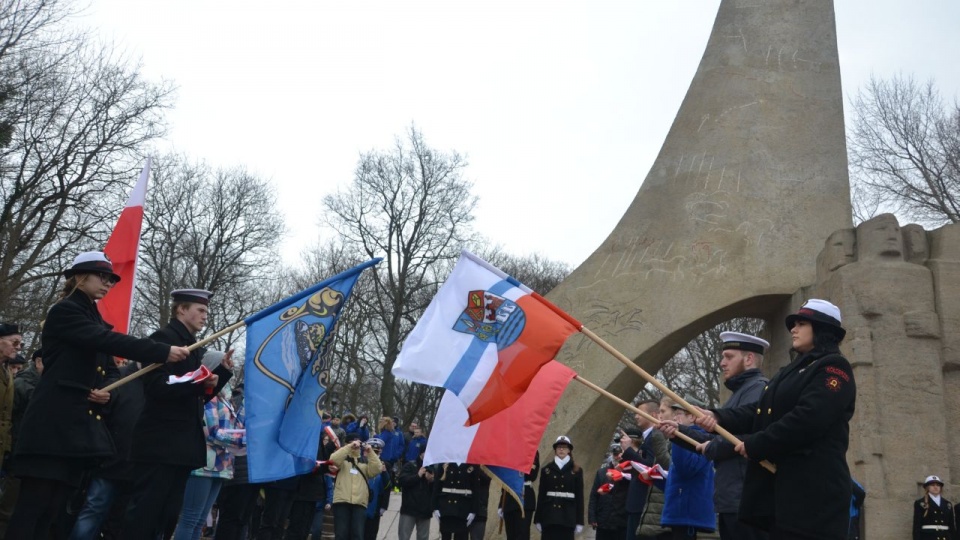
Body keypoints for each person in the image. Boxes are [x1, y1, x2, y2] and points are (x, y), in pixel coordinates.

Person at [7, 252, 189, 539]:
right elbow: (103, 340)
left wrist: (108, 394)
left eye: (111, 280)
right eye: (101, 276)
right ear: (80, 277)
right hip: (52, 427)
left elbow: (108, 371)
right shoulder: (65, 311)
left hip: (75, 431)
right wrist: (161, 350)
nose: (108, 283)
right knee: (33, 508)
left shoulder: (92, 317)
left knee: (54, 513)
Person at [696, 299, 856, 540]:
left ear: (822, 329)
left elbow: (808, 419)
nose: (793, 329)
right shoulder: (791, 370)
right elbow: (761, 411)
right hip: (785, 494)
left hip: (814, 493)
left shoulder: (834, 368)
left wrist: (757, 444)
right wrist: (718, 416)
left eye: (802, 323)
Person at [124, 288, 233, 538]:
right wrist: (198, 382)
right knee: (145, 514)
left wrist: (222, 374)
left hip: (181, 446)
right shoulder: (164, 338)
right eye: (201, 310)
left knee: (167, 516)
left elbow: (198, 397)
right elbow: (158, 387)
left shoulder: (192, 347)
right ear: (181, 309)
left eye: (207, 311)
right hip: (160, 443)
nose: (205, 316)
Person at [665, 332, 770, 540]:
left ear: (749, 359)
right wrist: (678, 432)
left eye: (729, 357)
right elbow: (717, 440)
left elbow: (745, 438)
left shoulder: (757, 389)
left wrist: (713, 447)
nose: (722, 363)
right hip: (732, 498)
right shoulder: (739, 394)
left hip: (745, 497)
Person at [172, 351, 245, 540]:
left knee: (200, 520)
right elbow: (211, 431)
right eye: (224, 364)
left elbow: (233, 427)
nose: (229, 368)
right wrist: (241, 440)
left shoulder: (224, 399)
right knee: (190, 518)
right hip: (202, 465)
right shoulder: (207, 396)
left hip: (221, 465)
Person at [656, 399, 715, 539]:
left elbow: (687, 468)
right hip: (681, 510)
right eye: (674, 413)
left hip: (688, 513)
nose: (675, 417)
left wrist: (678, 437)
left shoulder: (700, 438)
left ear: (692, 417)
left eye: (680, 413)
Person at [330, 432, 383, 540]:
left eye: (357, 443)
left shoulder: (365, 461)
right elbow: (333, 460)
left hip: (359, 502)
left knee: (357, 535)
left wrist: (370, 452)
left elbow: (377, 469)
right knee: (341, 534)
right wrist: (349, 447)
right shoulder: (342, 458)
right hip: (342, 501)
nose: (355, 445)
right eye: (351, 443)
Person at [534, 436, 584, 540]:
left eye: (565, 447)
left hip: (568, 517)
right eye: (559, 447)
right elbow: (541, 495)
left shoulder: (577, 470)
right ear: (555, 449)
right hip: (549, 517)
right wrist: (537, 519)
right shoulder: (547, 470)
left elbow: (580, 497)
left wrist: (580, 521)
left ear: (569, 450)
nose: (561, 449)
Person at [588, 445, 628, 540]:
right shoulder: (602, 473)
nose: (617, 457)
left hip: (621, 521)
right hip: (603, 519)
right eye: (615, 454)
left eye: (620, 454)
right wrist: (592, 517)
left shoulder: (629, 473)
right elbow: (594, 496)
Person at [433, 462, 480, 540]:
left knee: (461, 536)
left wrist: (474, 510)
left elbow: (475, 488)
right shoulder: (444, 462)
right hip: (446, 507)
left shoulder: (472, 464)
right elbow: (437, 486)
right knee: (445, 535)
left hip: (463, 507)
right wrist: (435, 507)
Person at [397, 447, 435, 540]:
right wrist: (417, 476)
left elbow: (436, 490)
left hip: (425, 510)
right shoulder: (410, 465)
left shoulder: (434, 468)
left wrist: (431, 481)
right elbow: (402, 481)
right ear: (421, 453)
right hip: (409, 509)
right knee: (404, 536)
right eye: (426, 452)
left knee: (423, 537)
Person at [501, 450, 540, 540]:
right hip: (509, 499)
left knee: (522, 535)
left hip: (525, 497)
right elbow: (505, 480)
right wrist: (501, 504)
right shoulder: (508, 451)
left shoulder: (531, 450)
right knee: (511, 535)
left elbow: (532, 475)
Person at [363, 438, 392, 540]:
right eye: (373, 451)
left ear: (380, 451)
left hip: (375, 505)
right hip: (360, 502)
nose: (375, 454)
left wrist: (384, 506)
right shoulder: (362, 462)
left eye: (377, 452)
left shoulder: (386, 465)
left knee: (371, 533)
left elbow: (388, 487)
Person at [914, 475, 955, 540]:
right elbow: (917, 526)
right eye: (932, 485)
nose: (935, 487)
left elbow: (952, 527)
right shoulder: (920, 503)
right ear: (927, 487)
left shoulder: (948, 504)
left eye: (938, 485)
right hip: (928, 537)